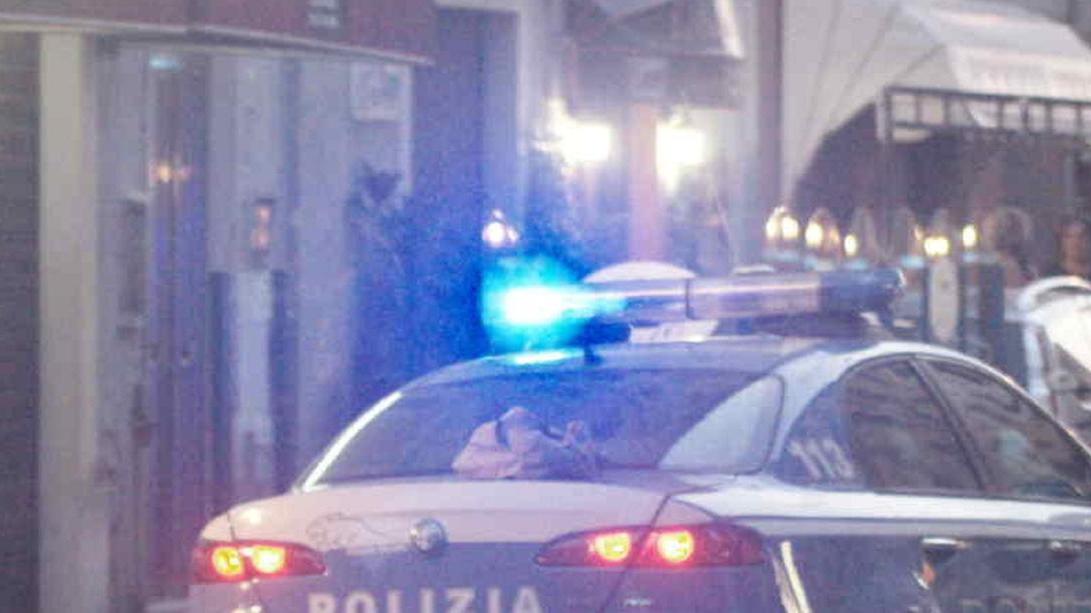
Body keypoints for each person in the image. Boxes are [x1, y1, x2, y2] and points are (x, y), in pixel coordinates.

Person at [1046, 215, 1091, 281]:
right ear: (1062, 241)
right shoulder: (1052, 278)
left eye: (1082, 236)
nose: (1075, 242)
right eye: (1069, 237)